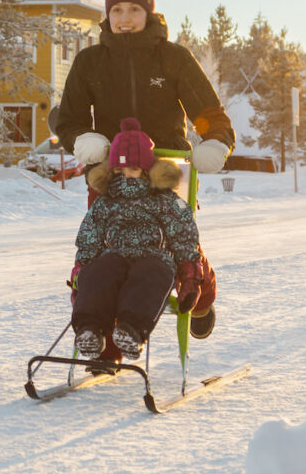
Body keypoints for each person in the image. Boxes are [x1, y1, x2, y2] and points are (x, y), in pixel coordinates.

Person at [55, 0, 234, 177]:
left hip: (167, 172)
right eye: (117, 10)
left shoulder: (174, 58)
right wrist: (83, 139)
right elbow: (69, 121)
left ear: (148, 13)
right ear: (108, 14)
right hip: (110, 173)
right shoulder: (89, 62)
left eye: (134, 9)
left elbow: (211, 115)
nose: (124, 19)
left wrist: (215, 142)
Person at [70, 118, 210, 360]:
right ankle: (90, 330)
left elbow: (184, 237)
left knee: (151, 274)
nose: (127, 176)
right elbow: (90, 237)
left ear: (146, 170)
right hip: (116, 256)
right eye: (119, 170)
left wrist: (189, 275)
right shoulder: (106, 201)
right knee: (100, 270)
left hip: (153, 257)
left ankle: (131, 330)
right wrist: (82, 271)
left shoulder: (165, 200)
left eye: (133, 169)